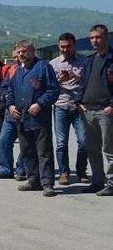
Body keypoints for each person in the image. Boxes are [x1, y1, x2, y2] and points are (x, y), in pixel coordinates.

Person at [5, 40, 58, 197]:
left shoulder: (43, 67)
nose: (21, 54)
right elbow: (10, 91)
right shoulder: (18, 72)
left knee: (44, 152)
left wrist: (40, 103)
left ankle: (47, 183)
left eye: (25, 51)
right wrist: (11, 106)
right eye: (19, 52)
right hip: (21, 118)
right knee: (27, 151)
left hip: (39, 118)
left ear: (33, 51)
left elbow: (53, 90)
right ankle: (33, 180)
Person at [75, 24, 113, 195]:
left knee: (109, 149)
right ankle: (97, 181)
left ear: (106, 37)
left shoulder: (111, 59)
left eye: (98, 37)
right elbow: (82, 84)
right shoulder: (89, 60)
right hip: (87, 111)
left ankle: (112, 184)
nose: (94, 41)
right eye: (91, 38)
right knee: (93, 149)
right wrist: (79, 103)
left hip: (106, 112)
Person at [49, 33, 88, 185]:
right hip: (61, 105)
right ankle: (64, 172)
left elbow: (90, 83)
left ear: (74, 45)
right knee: (61, 142)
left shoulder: (85, 62)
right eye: (62, 47)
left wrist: (77, 77)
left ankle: (81, 169)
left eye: (68, 46)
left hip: (79, 106)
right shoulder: (53, 64)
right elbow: (50, 87)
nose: (65, 49)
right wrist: (59, 79)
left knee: (84, 141)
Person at [0, 48, 27, 180]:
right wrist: (9, 102)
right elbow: (3, 88)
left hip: (26, 114)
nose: (17, 58)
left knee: (25, 144)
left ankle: (21, 169)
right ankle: (6, 169)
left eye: (19, 55)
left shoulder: (33, 69)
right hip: (10, 114)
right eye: (14, 56)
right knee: (3, 141)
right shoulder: (11, 70)